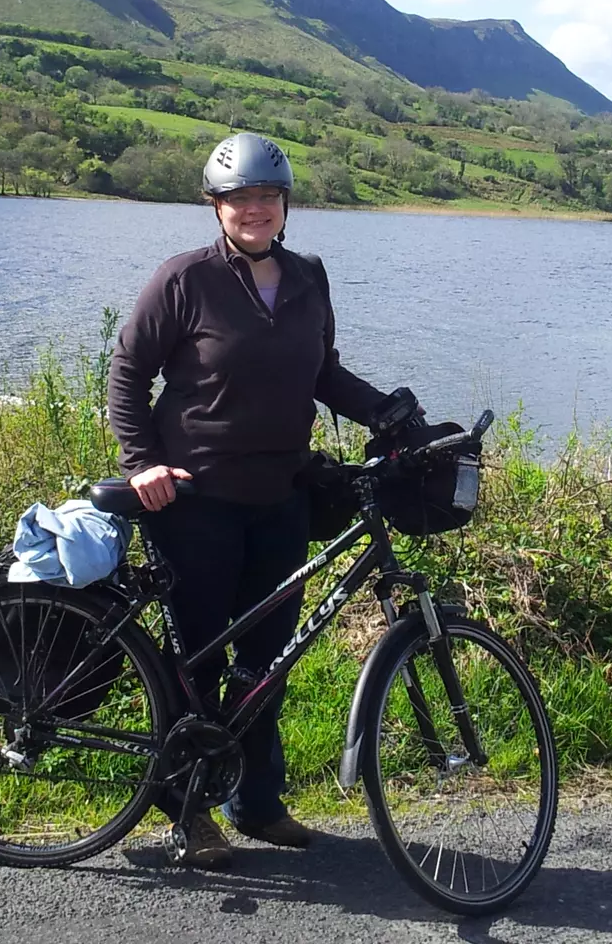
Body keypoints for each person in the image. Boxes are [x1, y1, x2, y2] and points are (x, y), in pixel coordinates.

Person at [107, 131, 388, 870]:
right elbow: (127, 375)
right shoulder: (185, 279)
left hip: (280, 498)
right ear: (216, 207)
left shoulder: (308, 279)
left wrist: (392, 412)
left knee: (268, 660)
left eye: (267, 197)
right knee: (194, 662)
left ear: (285, 206)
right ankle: (185, 812)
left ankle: (257, 802)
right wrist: (143, 465)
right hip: (195, 500)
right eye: (239, 199)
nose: (254, 210)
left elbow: (324, 373)